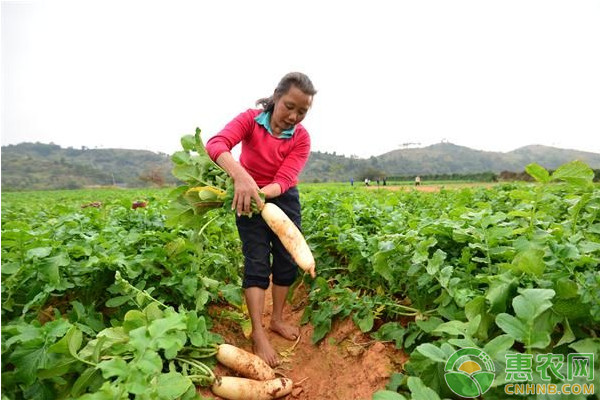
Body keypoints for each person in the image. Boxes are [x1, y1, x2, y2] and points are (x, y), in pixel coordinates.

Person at [205, 72, 317, 367]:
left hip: (281, 197)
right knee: (256, 261)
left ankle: (277, 318)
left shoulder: (301, 139)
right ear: (276, 97)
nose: (294, 116)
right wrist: (241, 177)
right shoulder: (251, 120)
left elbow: (284, 180)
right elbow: (216, 144)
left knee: (286, 259)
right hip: (246, 195)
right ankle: (258, 332)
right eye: (289, 106)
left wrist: (258, 193)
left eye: (302, 112)